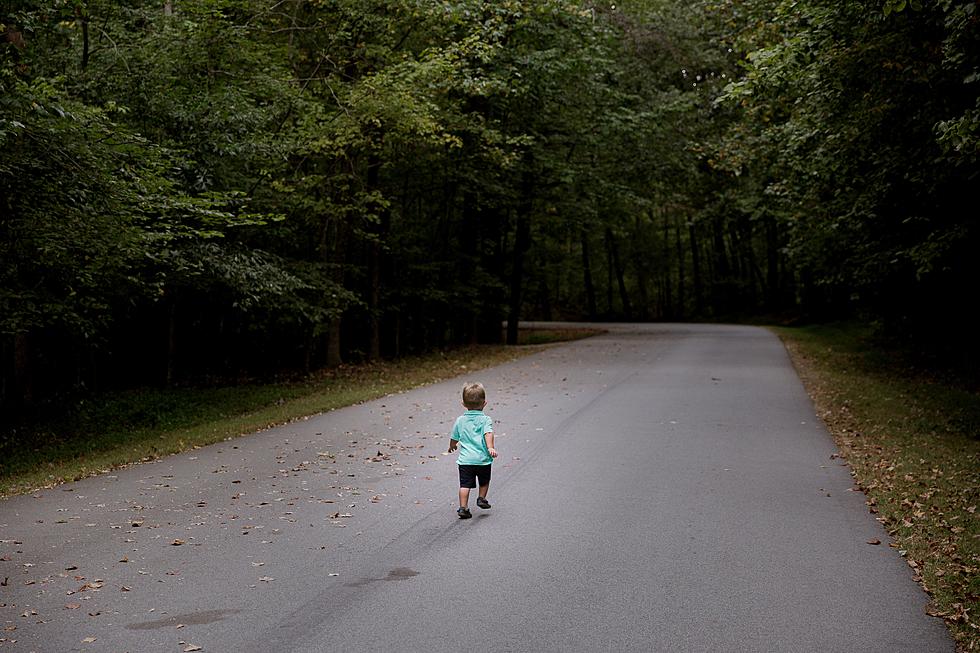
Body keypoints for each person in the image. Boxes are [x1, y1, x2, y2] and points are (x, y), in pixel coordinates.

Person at [448, 382, 498, 519]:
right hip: (482, 460)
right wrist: (490, 447)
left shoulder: (460, 420)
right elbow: (488, 433)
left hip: (465, 461)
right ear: (485, 403)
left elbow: (454, 437)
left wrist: (452, 446)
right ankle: (481, 498)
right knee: (484, 481)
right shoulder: (486, 419)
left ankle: (463, 508)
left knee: (464, 485)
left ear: (463, 404)